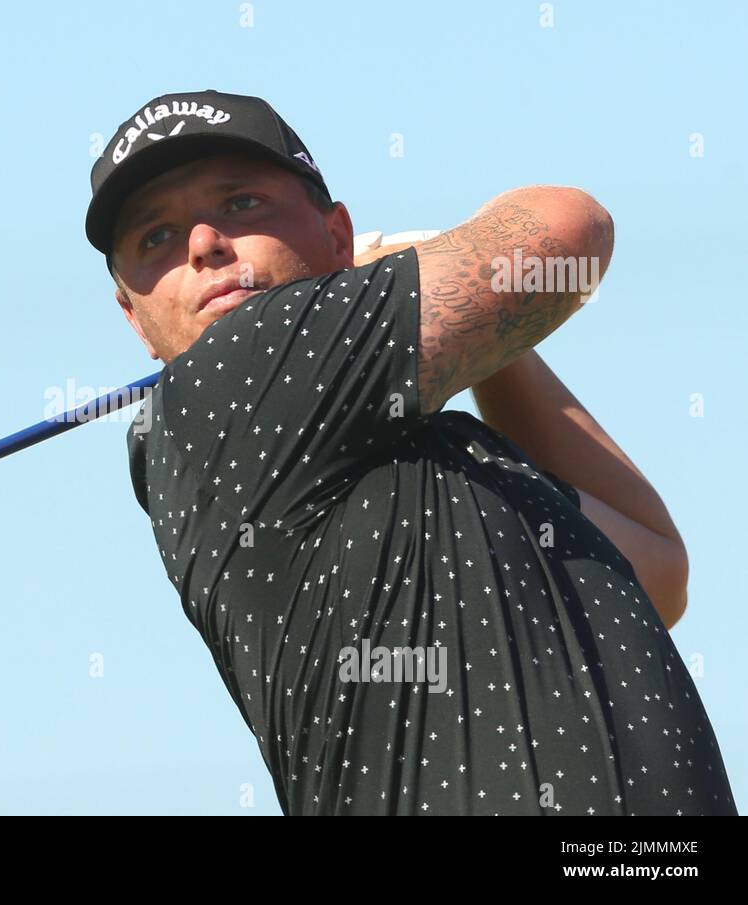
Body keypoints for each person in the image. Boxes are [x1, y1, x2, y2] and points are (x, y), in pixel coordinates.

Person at [86, 88, 738, 815]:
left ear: (338, 236)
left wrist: (484, 343)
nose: (204, 243)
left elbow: (654, 563)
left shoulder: (454, 457)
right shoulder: (228, 377)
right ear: (134, 318)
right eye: (156, 239)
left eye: (241, 204)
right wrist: (417, 265)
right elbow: (567, 231)